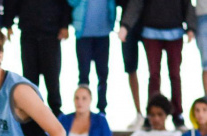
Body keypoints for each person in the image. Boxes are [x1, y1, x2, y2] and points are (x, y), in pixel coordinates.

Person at [119, 0, 197, 129]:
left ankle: (177, 115)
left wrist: (191, 27)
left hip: (175, 32)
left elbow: (187, 4)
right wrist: (125, 26)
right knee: (154, 75)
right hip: (151, 32)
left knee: (175, 75)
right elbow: (136, 4)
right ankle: (152, 115)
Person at [2, 0, 71, 116]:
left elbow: (64, 3)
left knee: (52, 77)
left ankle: (56, 112)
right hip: (28, 34)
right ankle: (31, 112)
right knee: (30, 77)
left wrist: (65, 25)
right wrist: (8, 24)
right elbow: (11, 3)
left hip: (51, 34)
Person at [69, 0, 116, 115]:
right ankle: (83, 110)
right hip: (83, 33)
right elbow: (71, 2)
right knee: (83, 74)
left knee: (103, 73)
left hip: (103, 33)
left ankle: (102, 110)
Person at [117, 0, 146, 129]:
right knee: (131, 68)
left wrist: (125, 25)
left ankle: (153, 113)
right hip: (126, 24)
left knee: (154, 70)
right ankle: (139, 114)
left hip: (149, 21)